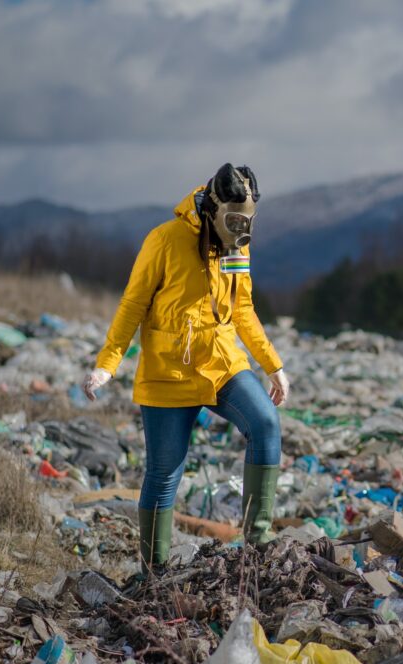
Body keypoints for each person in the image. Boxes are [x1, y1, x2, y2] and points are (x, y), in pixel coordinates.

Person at [83, 163, 289, 571]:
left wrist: (272, 364)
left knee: (265, 423)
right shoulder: (164, 240)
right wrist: (108, 364)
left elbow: (243, 308)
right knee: (163, 474)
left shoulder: (237, 248)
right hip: (168, 372)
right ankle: (154, 574)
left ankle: (258, 546)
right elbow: (132, 305)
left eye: (248, 220)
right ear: (213, 208)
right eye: (234, 220)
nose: (242, 228)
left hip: (221, 362)